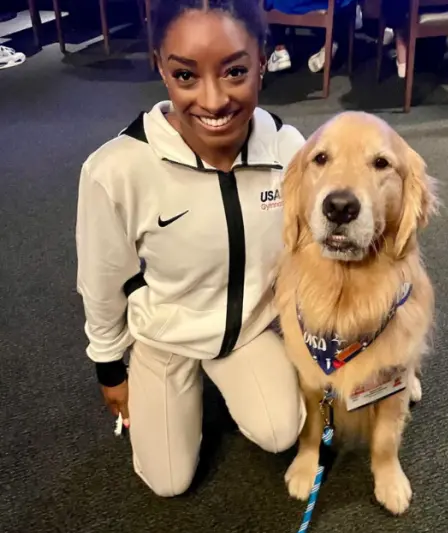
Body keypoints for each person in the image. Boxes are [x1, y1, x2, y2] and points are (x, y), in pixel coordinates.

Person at [75, 0, 307, 498]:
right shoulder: (116, 169)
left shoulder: (289, 151)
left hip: (246, 329)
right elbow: (101, 279)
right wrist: (110, 368)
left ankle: (227, 378)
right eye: (185, 75)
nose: (214, 100)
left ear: (264, 59)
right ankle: (165, 379)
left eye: (235, 72)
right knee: (169, 483)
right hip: (167, 334)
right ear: (160, 65)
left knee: (280, 431)